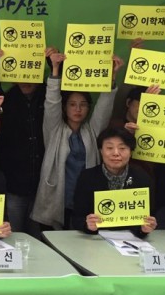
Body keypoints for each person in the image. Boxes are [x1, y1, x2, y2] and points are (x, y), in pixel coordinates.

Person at [31, 49, 122, 229]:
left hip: (84, 199)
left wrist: (111, 77)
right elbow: (52, 103)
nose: (78, 109)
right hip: (57, 197)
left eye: (83, 105)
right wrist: (55, 70)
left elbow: (104, 108)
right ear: (64, 108)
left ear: (89, 108)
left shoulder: (92, 131)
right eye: (72, 104)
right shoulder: (55, 129)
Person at [0, 48, 45, 237]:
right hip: (13, 184)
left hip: (44, 187)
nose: (25, 79)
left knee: (39, 240)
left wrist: (53, 63)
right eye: (20, 74)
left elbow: (68, 90)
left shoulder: (50, 97)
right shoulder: (6, 99)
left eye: (29, 73)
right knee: (12, 236)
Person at [71, 127, 157, 238]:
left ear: (130, 152)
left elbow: (148, 216)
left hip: (131, 240)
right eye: (109, 148)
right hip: (94, 240)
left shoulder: (142, 178)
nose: (116, 153)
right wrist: (87, 225)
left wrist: (145, 228)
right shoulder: (87, 177)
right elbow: (77, 218)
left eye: (122, 148)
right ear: (101, 151)